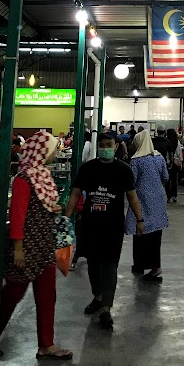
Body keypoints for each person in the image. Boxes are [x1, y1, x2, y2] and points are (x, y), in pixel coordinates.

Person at [0, 131, 72, 360]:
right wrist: (18, 248)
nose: (54, 153)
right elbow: (18, 215)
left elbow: (44, 206)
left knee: (47, 296)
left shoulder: (44, 175)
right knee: (12, 295)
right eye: (52, 149)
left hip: (44, 246)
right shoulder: (24, 179)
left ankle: (46, 344)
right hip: (26, 247)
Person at [66, 133, 144, 330]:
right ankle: (98, 297)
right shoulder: (87, 168)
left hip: (113, 227)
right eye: (102, 145)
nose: (105, 148)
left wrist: (140, 219)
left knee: (110, 266)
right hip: (90, 225)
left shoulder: (123, 170)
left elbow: (132, 197)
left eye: (109, 145)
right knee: (93, 265)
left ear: (116, 146)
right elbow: (75, 194)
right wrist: (66, 218)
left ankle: (106, 308)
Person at [126, 130, 169, 281]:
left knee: (140, 231)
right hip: (158, 200)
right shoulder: (159, 157)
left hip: (141, 200)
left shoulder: (136, 160)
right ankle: (155, 266)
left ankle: (139, 264)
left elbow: (131, 182)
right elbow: (165, 177)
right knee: (155, 234)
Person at [165, 128, 182, 203]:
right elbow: (179, 154)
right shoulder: (177, 142)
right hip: (175, 163)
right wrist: (180, 161)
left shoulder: (166, 142)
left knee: (167, 181)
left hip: (167, 163)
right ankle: (174, 196)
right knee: (174, 180)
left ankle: (168, 197)